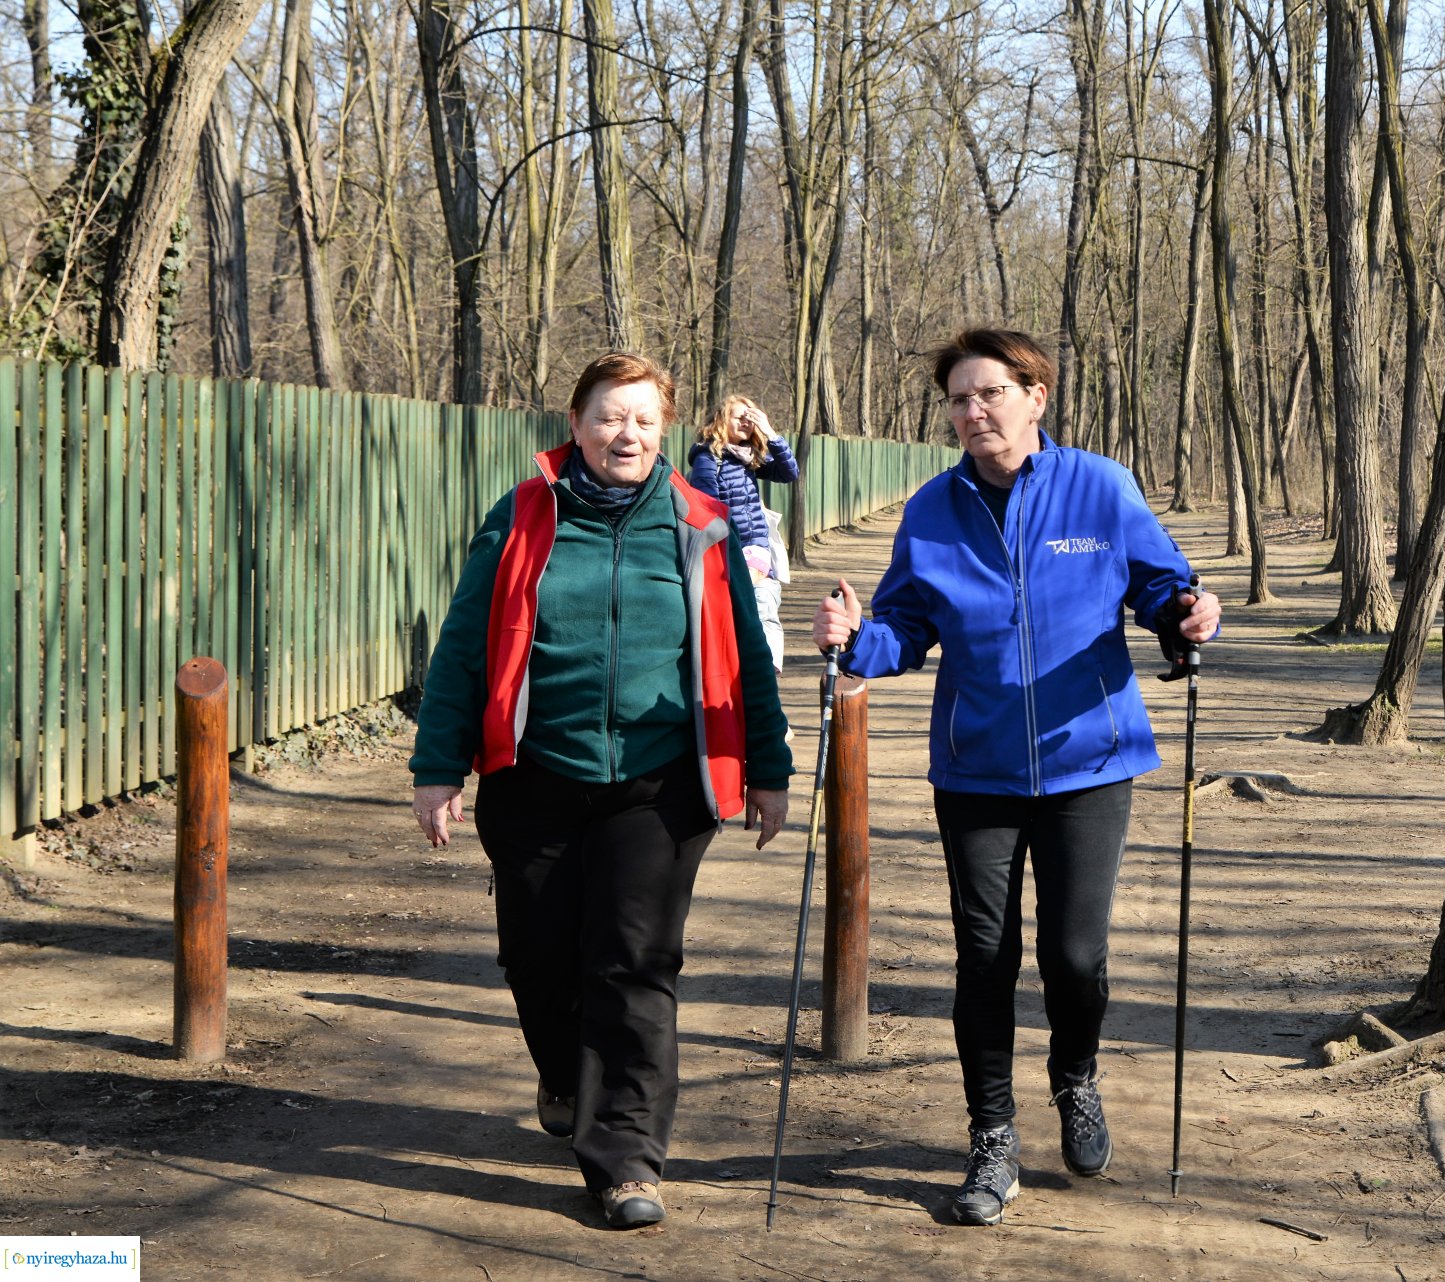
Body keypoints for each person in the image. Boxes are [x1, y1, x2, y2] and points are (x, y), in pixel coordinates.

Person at [811, 328, 1220, 1226]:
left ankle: (1075, 1078)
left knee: (1075, 958)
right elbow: (905, 628)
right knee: (984, 960)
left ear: (1036, 396)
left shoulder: (1099, 488)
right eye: (959, 399)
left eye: (990, 393)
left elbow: (1161, 588)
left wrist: (1190, 613)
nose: (973, 412)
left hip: (1090, 761)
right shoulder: (932, 509)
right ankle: (992, 1137)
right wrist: (855, 642)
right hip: (978, 773)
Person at [409, 352, 792, 1231]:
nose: (627, 435)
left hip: (657, 789)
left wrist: (767, 770)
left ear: (667, 431)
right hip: (535, 776)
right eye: (610, 417)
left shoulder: (701, 524)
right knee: (539, 961)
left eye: (645, 420)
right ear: (576, 423)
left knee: (633, 963)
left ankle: (625, 1161)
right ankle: (565, 1075)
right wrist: (437, 767)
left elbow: (747, 663)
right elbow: (467, 646)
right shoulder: (522, 517)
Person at [687, 396, 798, 670]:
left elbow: (789, 472)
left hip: (758, 548)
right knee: (746, 609)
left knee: (765, 602)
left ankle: (768, 671)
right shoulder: (708, 456)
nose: (747, 423)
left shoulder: (748, 457)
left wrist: (770, 433)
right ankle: (742, 670)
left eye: (751, 419)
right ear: (722, 419)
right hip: (732, 549)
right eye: (740, 417)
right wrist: (726, 544)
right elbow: (706, 502)